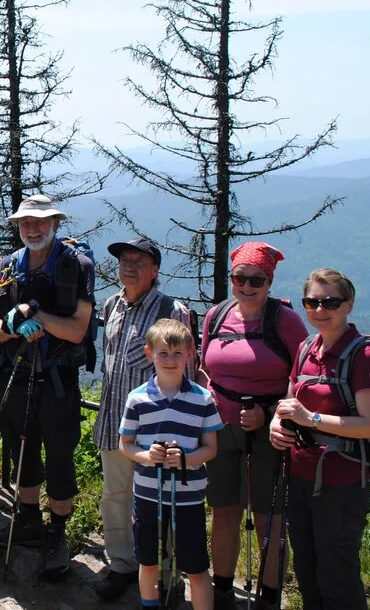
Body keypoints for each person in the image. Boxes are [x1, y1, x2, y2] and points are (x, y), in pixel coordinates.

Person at [0, 194, 93, 579]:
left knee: (60, 454)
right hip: (18, 372)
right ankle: (29, 520)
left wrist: (38, 317)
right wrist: (13, 327)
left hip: (58, 377)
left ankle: (57, 532)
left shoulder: (75, 265)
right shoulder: (10, 266)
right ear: (18, 226)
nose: (32, 228)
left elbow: (78, 330)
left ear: (56, 224)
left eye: (40, 221)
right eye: (26, 222)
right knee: (22, 446)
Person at [269, 269, 370, 610]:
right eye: (312, 302)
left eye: (331, 301)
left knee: (337, 577)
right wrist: (278, 422)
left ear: (348, 304)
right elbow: (289, 404)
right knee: (307, 570)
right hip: (301, 476)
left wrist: (311, 419)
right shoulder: (307, 347)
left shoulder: (364, 356)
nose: (320, 309)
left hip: (342, 483)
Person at [201, 241, 307, 610]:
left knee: (268, 515)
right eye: (239, 277)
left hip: (269, 432)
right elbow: (206, 370)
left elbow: (304, 379)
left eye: (256, 279)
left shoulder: (286, 321)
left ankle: (269, 597)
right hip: (221, 427)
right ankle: (223, 589)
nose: (247, 285)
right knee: (224, 508)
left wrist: (270, 411)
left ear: (269, 280)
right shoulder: (216, 316)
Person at [92, 237, 194, 601]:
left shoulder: (172, 311)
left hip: (158, 433)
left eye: (138, 260)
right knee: (115, 497)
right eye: (124, 260)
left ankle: (166, 575)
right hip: (116, 424)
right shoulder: (111, 305)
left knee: (162, 503)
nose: (129, 266)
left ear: (155, 270)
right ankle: (122, 565)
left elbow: (188, 373)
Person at [120, 319, 220, 610]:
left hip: (188, 498)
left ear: (190, 354)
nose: (170, 360)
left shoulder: (203, 399)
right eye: (163, 353)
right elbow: (126, 445)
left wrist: (187, 459)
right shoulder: (137, 399)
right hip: (149, 494)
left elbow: (211, 448)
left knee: (196, 566)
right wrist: (147, 456)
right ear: (149, 354)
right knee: (148, 561)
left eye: (178, 353)